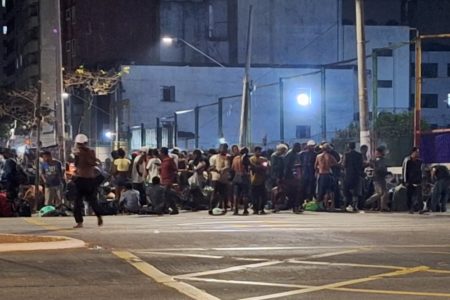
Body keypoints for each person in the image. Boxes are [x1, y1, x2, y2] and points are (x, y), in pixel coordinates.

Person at [72, 134, 103, 228]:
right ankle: (98, 215)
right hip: (90, 179)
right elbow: (94, 162)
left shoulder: (78, 153)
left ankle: (79, 222)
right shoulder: (91, 152)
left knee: (78, 202)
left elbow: (77, 165)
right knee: (92, 200)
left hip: (81, 179)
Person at [315, 143, 338, 210]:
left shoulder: (318, 156)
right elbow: (336, 164)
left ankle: (322, 205)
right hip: (328, 174)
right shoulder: (330, 156)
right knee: (330, 191)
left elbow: (315, 166)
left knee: (321, 191)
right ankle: (331, 206)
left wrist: (318, 169)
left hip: (321, 174)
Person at [366, 147, 389, 211]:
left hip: (380, 178)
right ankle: (367, 202)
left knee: (380, 192)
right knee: (381, 193)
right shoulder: (378, 160)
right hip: (378, 178)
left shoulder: (379, 160)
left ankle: (380, 206)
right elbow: (378, 169)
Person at [209, 143, 230, 214]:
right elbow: (211, 167)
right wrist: (216, 170)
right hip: (215, 178)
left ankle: (223, 208)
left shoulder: (227, 157)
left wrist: (223, 169)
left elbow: (227, 166)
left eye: (225, 148)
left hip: (224, 179)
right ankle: (211, 208)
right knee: (214, 194)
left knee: (224, 195)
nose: (224, 149)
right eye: (223, 148)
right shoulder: (214, 157)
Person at [342, 142, 363, 212]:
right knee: (355, 191)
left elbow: (344, 164)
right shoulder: (359, 155)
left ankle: (346, 205)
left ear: (349, 146)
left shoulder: (346, 154)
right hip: (356, 174)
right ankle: (355, 206)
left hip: (348, 174)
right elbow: (361, 165)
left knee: (346, 190)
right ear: (354, 147)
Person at [402, 147, 423, 213]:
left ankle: (420, 209)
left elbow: (420, 171)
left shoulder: (419, 161)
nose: (417, 153)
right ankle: (410, 209)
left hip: (418, 180)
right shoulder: (407, 160)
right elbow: (405, 171)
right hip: (410, 181)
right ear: (412, 152)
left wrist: (421, 179)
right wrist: (405, 181)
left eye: (418, 152)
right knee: (410, 195)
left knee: (419, 195)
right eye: (416, 152)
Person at [283, 143, 302, 213]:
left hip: (295, 176)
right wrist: (285, 176)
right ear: (295, 147)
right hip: (290, 176)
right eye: (299, 147)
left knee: (296, 191)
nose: (300, 149)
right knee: (293, 192)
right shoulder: (290, 154)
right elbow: (287, 166)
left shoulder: (296, 154)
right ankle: (294, 207)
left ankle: (295, 206)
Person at [231, 147, 251, 215]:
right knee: (245, 194)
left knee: (236, 195)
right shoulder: (245, 158)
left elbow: (232, 168)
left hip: (236, 176)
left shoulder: (235, 158)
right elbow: (249, 166)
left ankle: (235, 210)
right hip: (244, 176)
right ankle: (245, 210)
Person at [159, 147, 179, 214]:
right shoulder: (163, 161)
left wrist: (172, 178)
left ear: (163, 153)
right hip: (163, 180)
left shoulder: (170, 160)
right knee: (166, 195)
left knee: (166, 194)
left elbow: (175, 170)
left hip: (168, 180)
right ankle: (170, 208)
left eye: (160, 152)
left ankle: (171, 208)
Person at [249, 146, 268, 214]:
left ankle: (262, 209)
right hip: (253, 180)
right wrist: (259, 167)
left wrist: (258, 167)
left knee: (262, 195)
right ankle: (255, 209)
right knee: (254, 196)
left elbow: (265, 167)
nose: (258, 152)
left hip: (262, 180)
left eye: (259, 151)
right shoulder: (251, 159)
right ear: (255, 151)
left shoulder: (264, 159)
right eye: (257, 151)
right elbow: (252, 167)